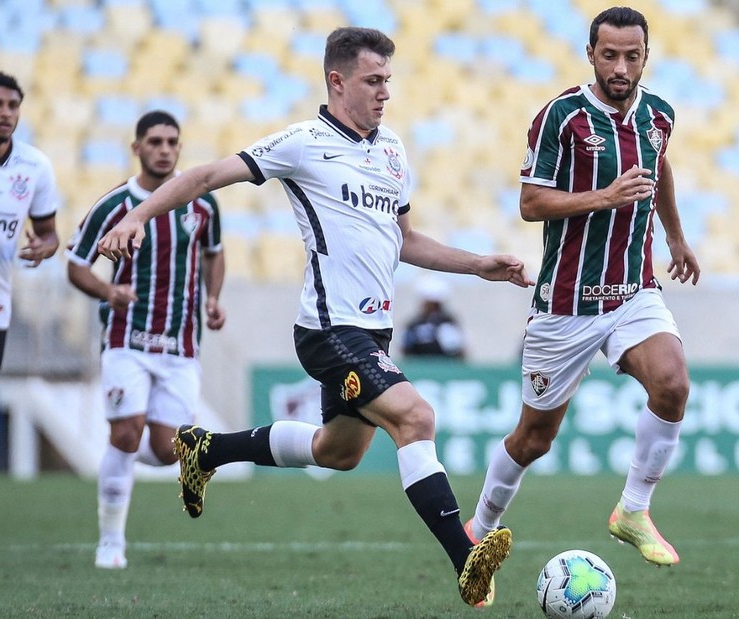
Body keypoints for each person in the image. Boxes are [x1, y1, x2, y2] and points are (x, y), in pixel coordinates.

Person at [96, 27, 530, 607]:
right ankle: (465, 557)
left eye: (387, 82)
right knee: (416, 419)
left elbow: (403, 240)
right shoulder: (302, 142)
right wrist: (137, 219)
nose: (384, 93)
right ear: (337, 80)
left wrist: (478, 264)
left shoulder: (392, 150)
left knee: (337, 452)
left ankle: (207, 450)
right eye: (373, 81)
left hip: (372, 331)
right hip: (329, 331)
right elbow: (203, 178)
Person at [466, 5, 701, 580]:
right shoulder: (560, 117)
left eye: (632, 56)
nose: (621, 67)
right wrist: (604, 196)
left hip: (633, 292)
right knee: (533, 439)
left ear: (646, 56)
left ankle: (634, 510)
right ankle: (479, 526)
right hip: (567, 304)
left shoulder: (660, 114)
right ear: (590, 54)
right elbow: (530, 203)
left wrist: (675, 236)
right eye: (610, 55)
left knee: (672, 384)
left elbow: (659, 166)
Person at [67, 110, 226, 569]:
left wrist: (213, 298)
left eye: (172, 141)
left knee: (163, 449)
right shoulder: (115, 204)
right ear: (136, 147)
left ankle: (124, 457)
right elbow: (77, 265)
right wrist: (109, 290)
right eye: (154, 141)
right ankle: (111, 542)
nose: (164, 149)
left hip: (180, 344)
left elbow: (215, 254)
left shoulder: (202, 204)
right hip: (126, 338)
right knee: (125, 433)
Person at [0, 71, 60, 419]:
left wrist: (45, 246)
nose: (6, 113)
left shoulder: (35, 167)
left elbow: (48, 232)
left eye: (13, 106)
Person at [401, 276, 465, 359]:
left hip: (443, 366)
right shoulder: (414, 323)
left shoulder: (447, 322)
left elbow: (456, 350)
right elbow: (405, 349)